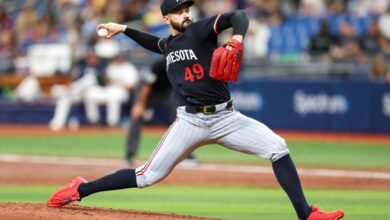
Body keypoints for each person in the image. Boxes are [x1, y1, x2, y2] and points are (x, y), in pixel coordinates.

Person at [47, 1, 344, 219]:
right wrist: (123, 29)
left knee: (278, 147)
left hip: (227, 118)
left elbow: (238, 15)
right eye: (179, 10)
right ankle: (81, 189)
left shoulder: (201, 31)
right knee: (147, 176)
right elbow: (154, 43)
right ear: (167, 17)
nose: (186, 13)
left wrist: (237, 37)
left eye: (187, 8)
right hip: (190, 121)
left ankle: (306, 214)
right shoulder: (169, 44)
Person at [125, 58, 197, 164]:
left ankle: (187, 155)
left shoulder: (184, 65)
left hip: (165, 91)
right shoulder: (161, 64)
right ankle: (130, 155)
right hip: (146, 90)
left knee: (182, 117)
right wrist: (140, 105)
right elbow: (146, 86)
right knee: (137, 117)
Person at [49, 50, 106, 131]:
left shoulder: (102, 67)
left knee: (90, 79)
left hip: (95, 92)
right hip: (79, 92)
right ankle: (58, 123)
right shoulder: (82, 67)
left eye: (94, 58)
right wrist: (70, 86)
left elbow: (104, 82)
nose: (92, 59)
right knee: (64, 98)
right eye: (90, 57)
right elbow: (73, 79)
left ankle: (94, 121)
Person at [84, 53, 139, 127]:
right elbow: (105, 82)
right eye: (117, 57)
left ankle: (112, 123)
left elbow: (132, 87)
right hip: (108, 89)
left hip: (122, 92)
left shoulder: (129, 68)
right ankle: (94, 121)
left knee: (113, 96)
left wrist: (120, 83)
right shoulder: (111, 67)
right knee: (90, 94)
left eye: (121, 57)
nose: (119, 59)